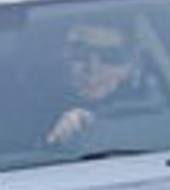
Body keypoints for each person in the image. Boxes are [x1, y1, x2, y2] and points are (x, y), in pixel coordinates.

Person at [44, 17, 144, 147]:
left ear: (133, 63)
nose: (93, 68)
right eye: (79, 53)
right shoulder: (24, 110)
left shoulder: (161, 106)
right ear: (59, 56)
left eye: (111, 56)